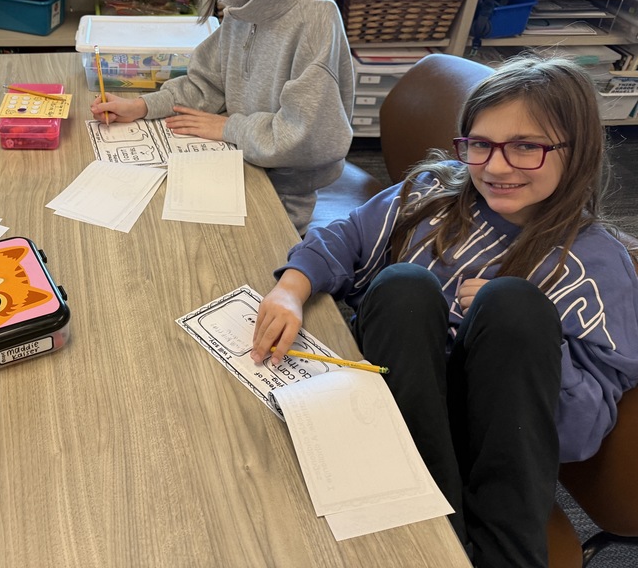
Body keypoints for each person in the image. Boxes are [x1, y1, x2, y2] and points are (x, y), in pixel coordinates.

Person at [252, 56, 638, 567]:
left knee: (513, 304)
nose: (495, 167)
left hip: (503, 441)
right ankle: (427, 530)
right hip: (400, 414)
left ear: (577, 151)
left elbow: (584, 432)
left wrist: (531, 336)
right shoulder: (436, 191)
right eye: (480, 144)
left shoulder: (598, 266)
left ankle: (491, 549)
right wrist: (291, 288)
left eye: (526, 147)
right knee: (404, 286)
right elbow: (346, 236)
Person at [90, 0, 353, 234]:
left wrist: (229, 127)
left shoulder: (315, 18)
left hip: (278, 201)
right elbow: (207, 85)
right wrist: (143, 106)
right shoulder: (244, 4)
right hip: (234, 164)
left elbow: (309, 139)